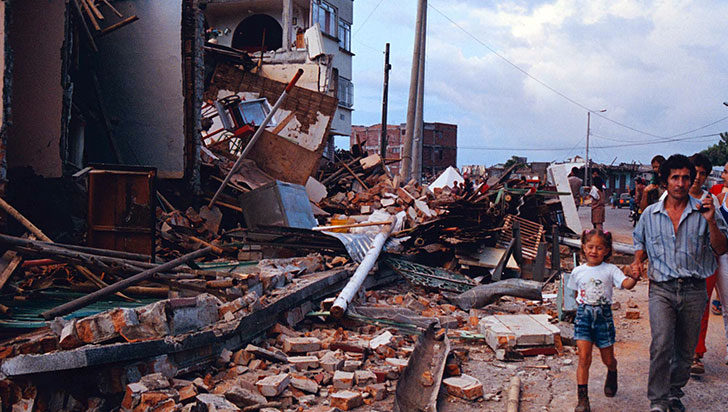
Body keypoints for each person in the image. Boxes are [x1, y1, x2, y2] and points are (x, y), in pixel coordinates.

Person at [631, 154, 728, 412]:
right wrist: (637, 261)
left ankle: (674, 393)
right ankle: (658, 401)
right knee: (661, 344)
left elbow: (721, 248)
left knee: (686, 350)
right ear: (665, 181)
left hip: (694, 289)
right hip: (661, 289)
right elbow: (639, 241)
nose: (681, 183)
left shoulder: (705, 211)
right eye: (675, 177)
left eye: (686, 177)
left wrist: (711, 221)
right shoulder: (650, 215)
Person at [569, 229, 638, 412]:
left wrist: (634, 277)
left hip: (603, 318)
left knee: (607, 358)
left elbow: (626, 284)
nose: (594, 251)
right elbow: (576, 294)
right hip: (583, 317)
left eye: (599, 248)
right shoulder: (577, 271)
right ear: (584, 248)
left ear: (606, 250)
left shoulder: (610, 270)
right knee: (584, 358)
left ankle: (612, 370)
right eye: (590, 247)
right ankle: (582, 400)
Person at [688, 153, 726, 375]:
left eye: (703, 173)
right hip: (679, 264)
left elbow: (721, 235)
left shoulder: (712, 201)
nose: (698, 177)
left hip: (706, 263)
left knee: (702, 308)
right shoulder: (673, 197)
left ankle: (697, 353)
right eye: (695, 172)